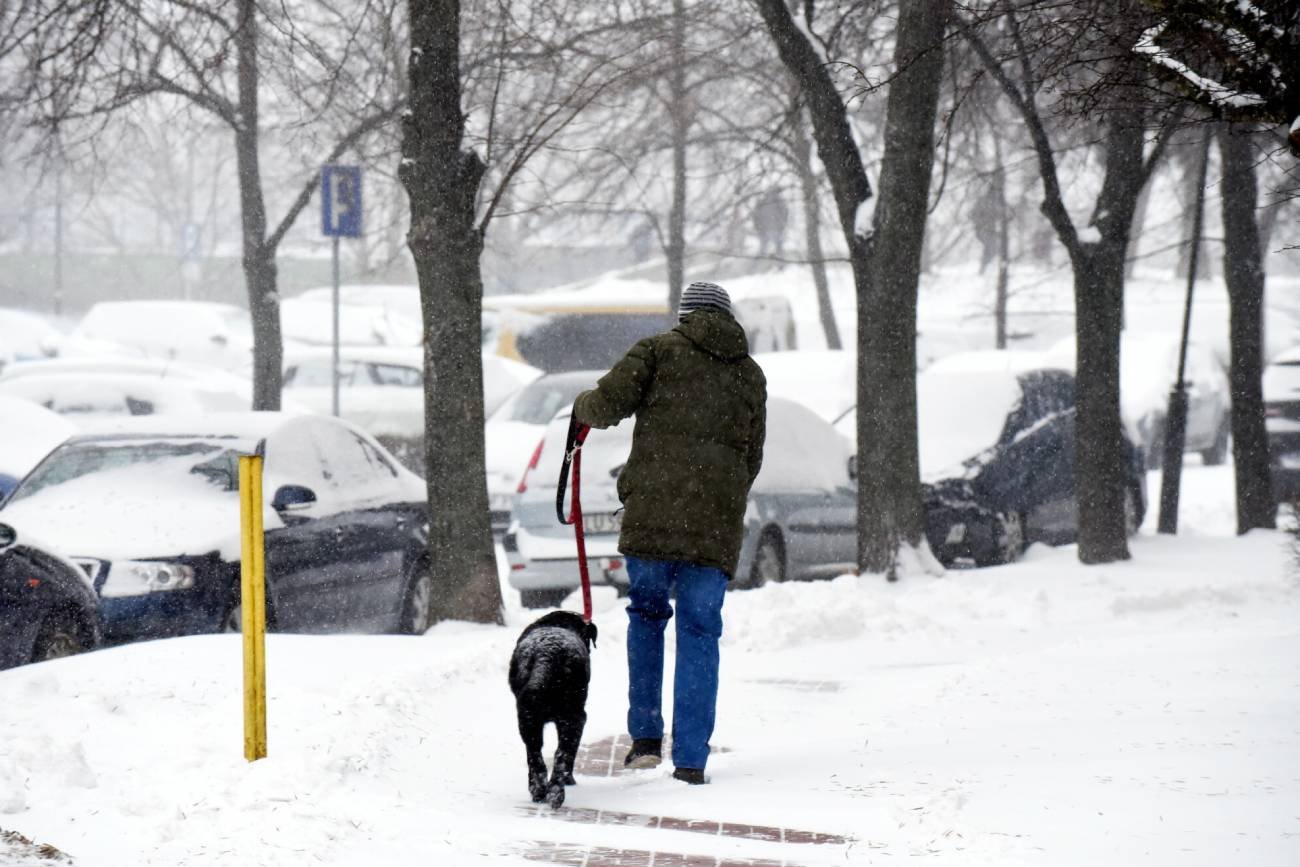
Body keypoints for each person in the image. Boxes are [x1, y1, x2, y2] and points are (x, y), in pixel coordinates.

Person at [573, 281, 766, 785]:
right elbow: (753, 457)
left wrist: (581, 405)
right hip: (714, 525)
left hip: (653, 517)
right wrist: (718, 495)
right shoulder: (749, 374)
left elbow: (605, 406)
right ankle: (691, 761)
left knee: (647, 616)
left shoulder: (657, 351)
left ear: (685, 315)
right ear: (727, 317)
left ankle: (644, 739)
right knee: (700, 631)